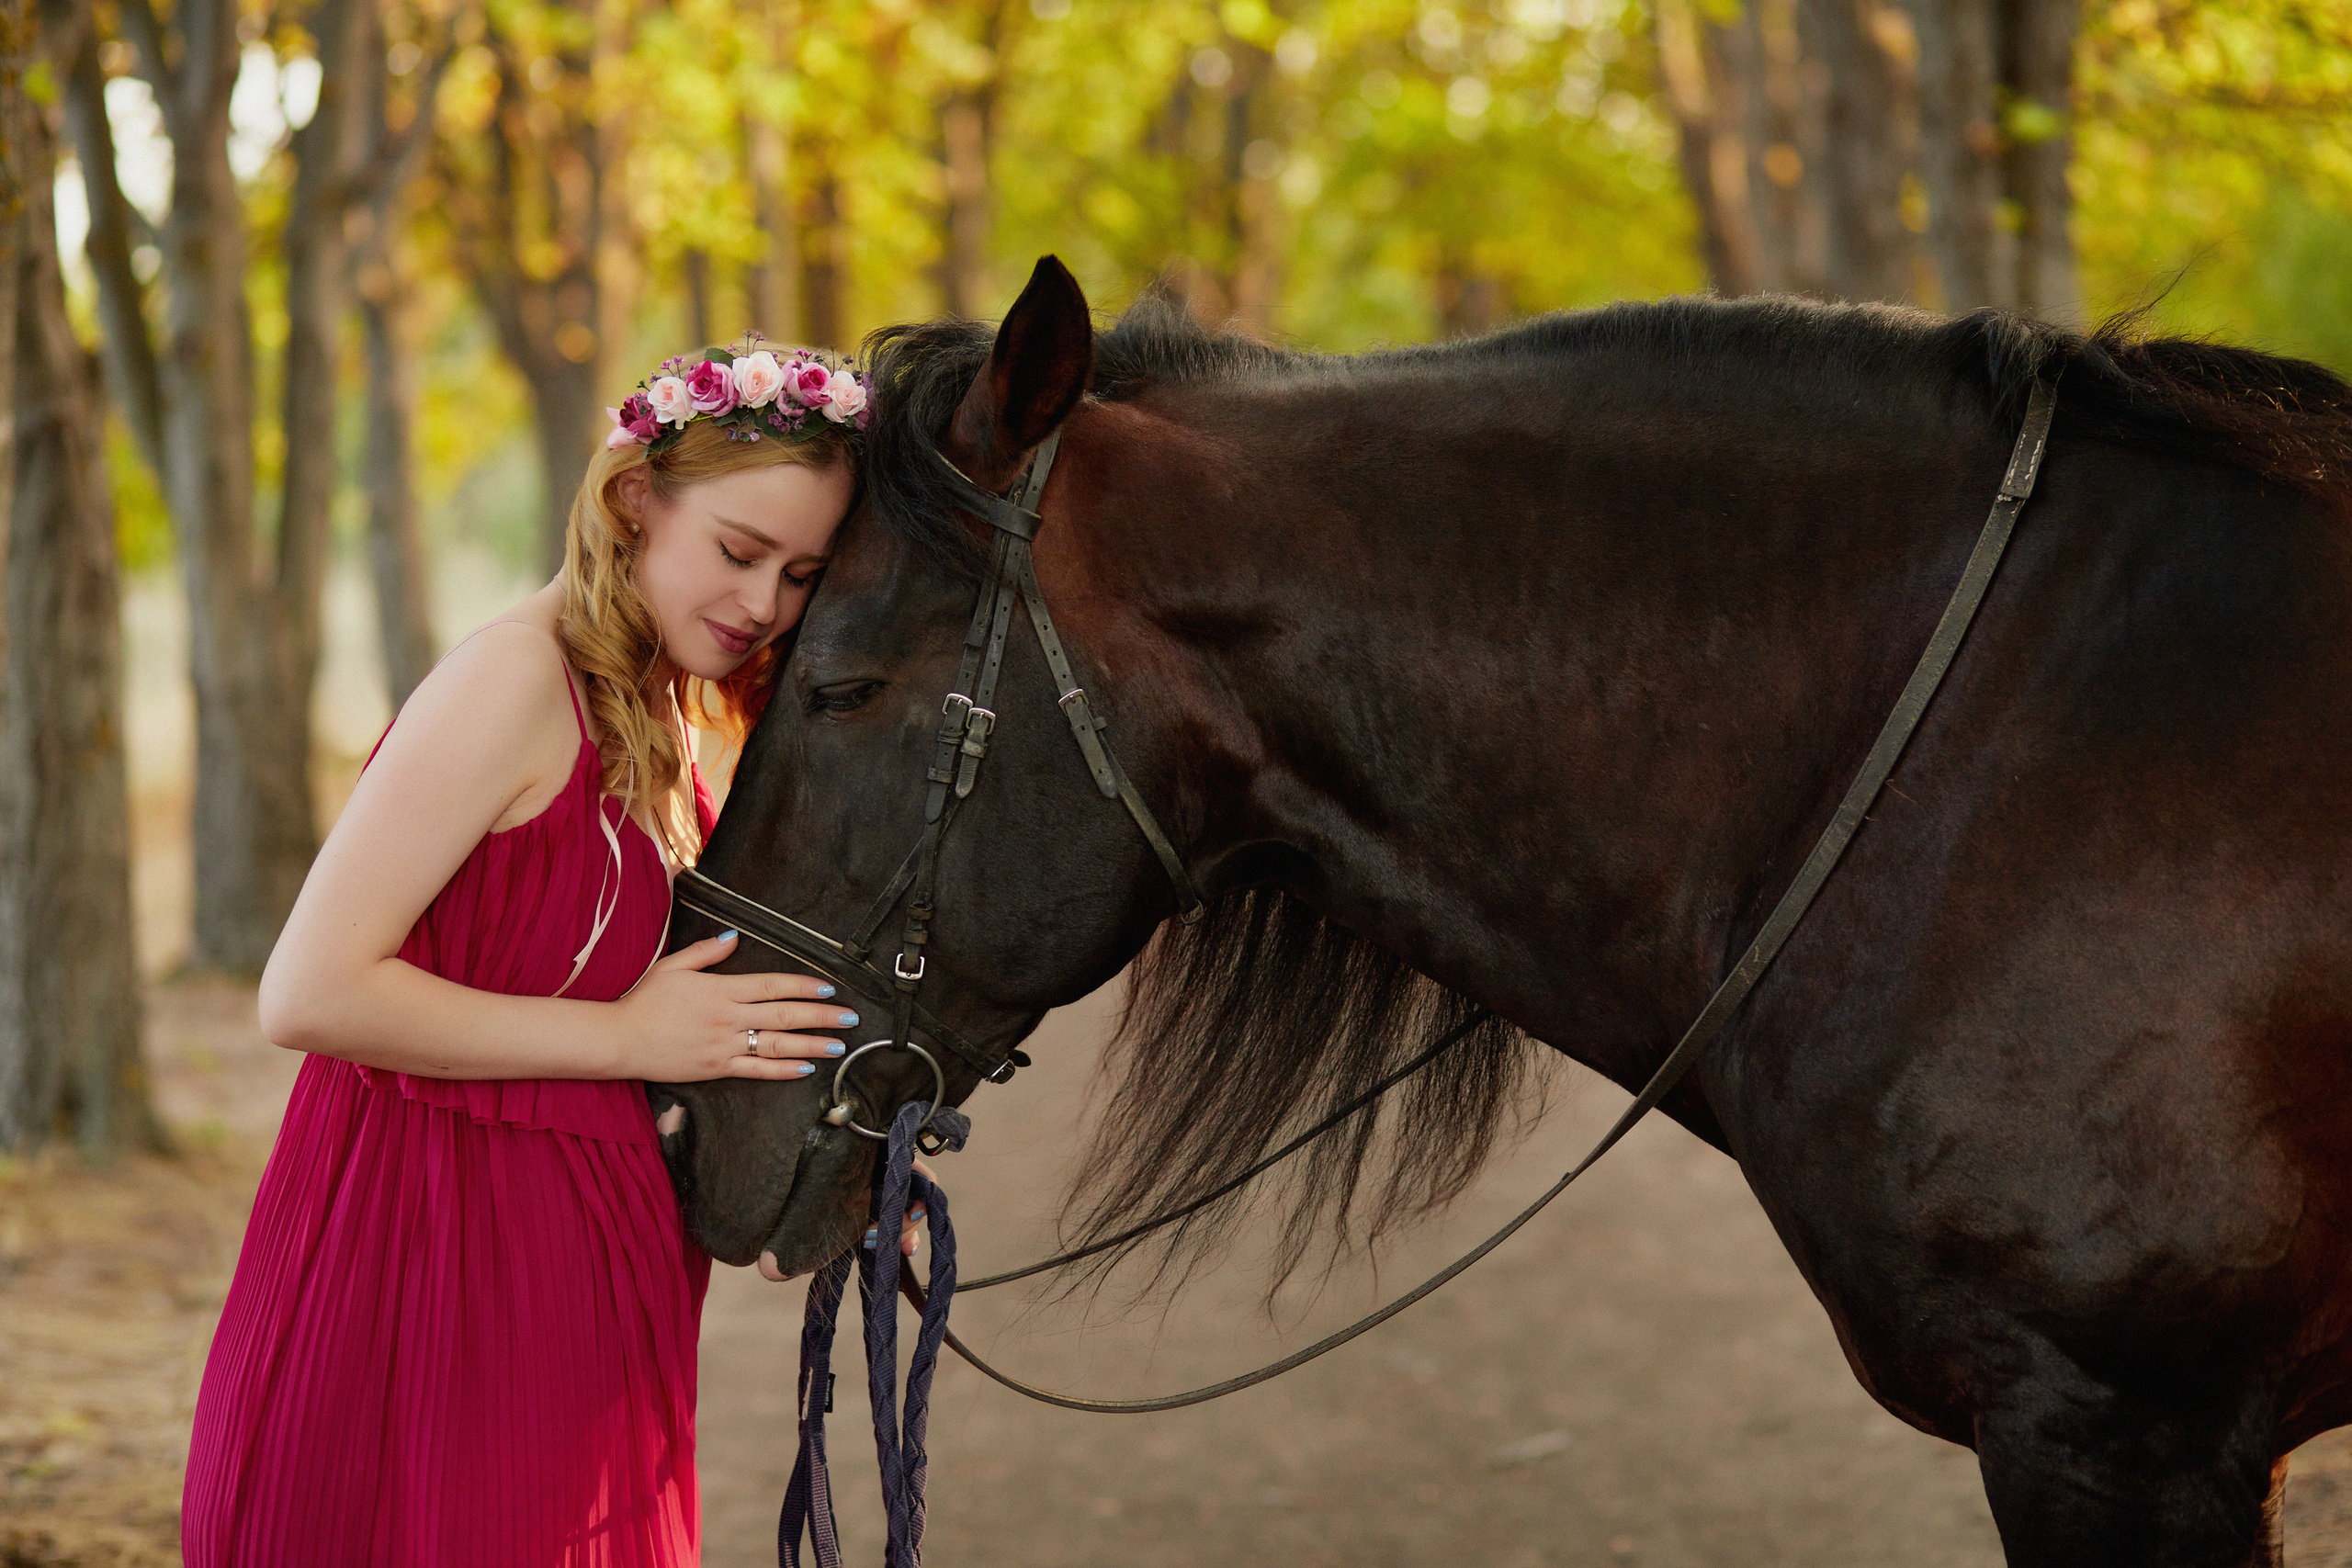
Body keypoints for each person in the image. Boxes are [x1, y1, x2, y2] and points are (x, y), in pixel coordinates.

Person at [182, 343, 899, 1567]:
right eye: (738, 551)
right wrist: (622, 1039)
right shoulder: (516, 681)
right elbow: (307, 990)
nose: (765, 602)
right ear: (635, 501)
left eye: (800, 574)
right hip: (428, 1250)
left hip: (591, 1249)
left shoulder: (670, 701)